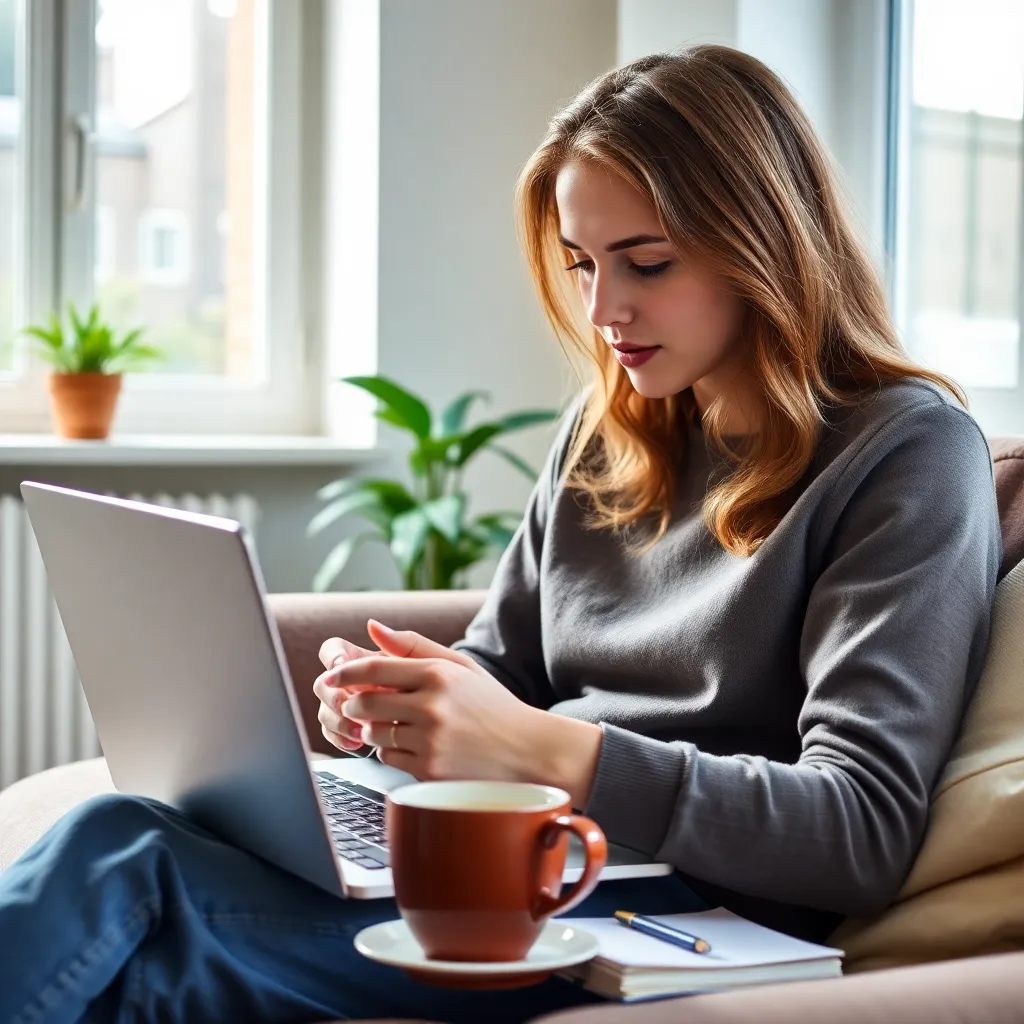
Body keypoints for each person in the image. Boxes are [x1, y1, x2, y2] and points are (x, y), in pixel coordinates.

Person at [0, 44, 1000, 1024]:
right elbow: (503, 665)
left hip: (678, 909)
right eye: (581, 264)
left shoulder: (904, 453)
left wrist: (547, 749)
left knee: (124, 868)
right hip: (517, 845)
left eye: (644, 262)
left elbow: (858, 829)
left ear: (762, 243)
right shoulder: (608, 430)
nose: (604, 310)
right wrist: (401, 699)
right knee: (130, 871)